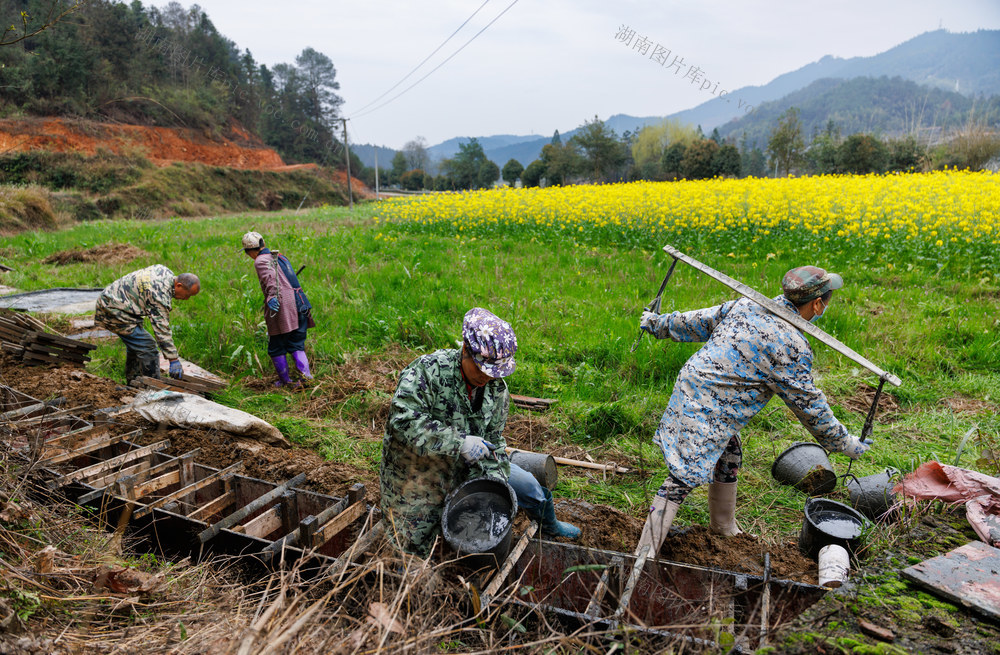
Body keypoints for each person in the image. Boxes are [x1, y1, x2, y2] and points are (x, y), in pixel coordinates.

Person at [634, 265, 872, 556]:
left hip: (695, 385)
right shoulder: (791, 346)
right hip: (707, 406)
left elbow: (698, 321)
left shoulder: (750, 303)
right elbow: (811, 408)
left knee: (729, 453)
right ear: (817, 304)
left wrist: (659, 323)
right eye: (828, 299)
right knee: (682, 476)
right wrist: (848, 445)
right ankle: (644, 554)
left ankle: (723, 528)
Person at [380, 307, 581, 558]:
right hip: (418, 475)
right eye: (482, 369)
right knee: (412, 546)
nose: (487, 378)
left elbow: (494, 441)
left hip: (469, 468)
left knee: (527, 487)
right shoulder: (426, 372)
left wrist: (494, 481)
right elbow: (402, 423)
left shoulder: (496, 389)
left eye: (494, 372)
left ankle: (550, 523)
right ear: (465, 350)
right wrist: (458, 443)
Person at [94, 265, 200, 385]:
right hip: (113, 310)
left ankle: (133, 382)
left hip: (118, 303)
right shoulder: (159, 295)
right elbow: (161, 329)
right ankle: (152, 388)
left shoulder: (164, 271)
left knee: (138, 345)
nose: (186, 299)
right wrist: (173, 359)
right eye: (188, 294)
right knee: (148, 347)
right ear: (179, 285)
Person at [241, 231, 315, 387]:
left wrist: (272, 297)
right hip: (301, 303)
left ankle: (286, 381)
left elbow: (271, 281)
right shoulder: (280, 257)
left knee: (276, 346)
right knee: (296, 342)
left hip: (284, 308)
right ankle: (305, 377)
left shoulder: (260, 261)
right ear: (263, 244)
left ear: (250, 251)